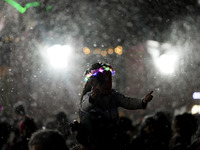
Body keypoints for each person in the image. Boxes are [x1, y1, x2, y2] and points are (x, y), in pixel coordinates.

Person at [79, 62, 154, 122]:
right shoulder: (90, 97)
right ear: (92, 83)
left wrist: (143, 101)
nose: (107, 84)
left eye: (109, 80)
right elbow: (84, 106)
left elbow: (127, 102)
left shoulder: (113, 95)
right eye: (103, 81)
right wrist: (92, 99)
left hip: (112, 131)